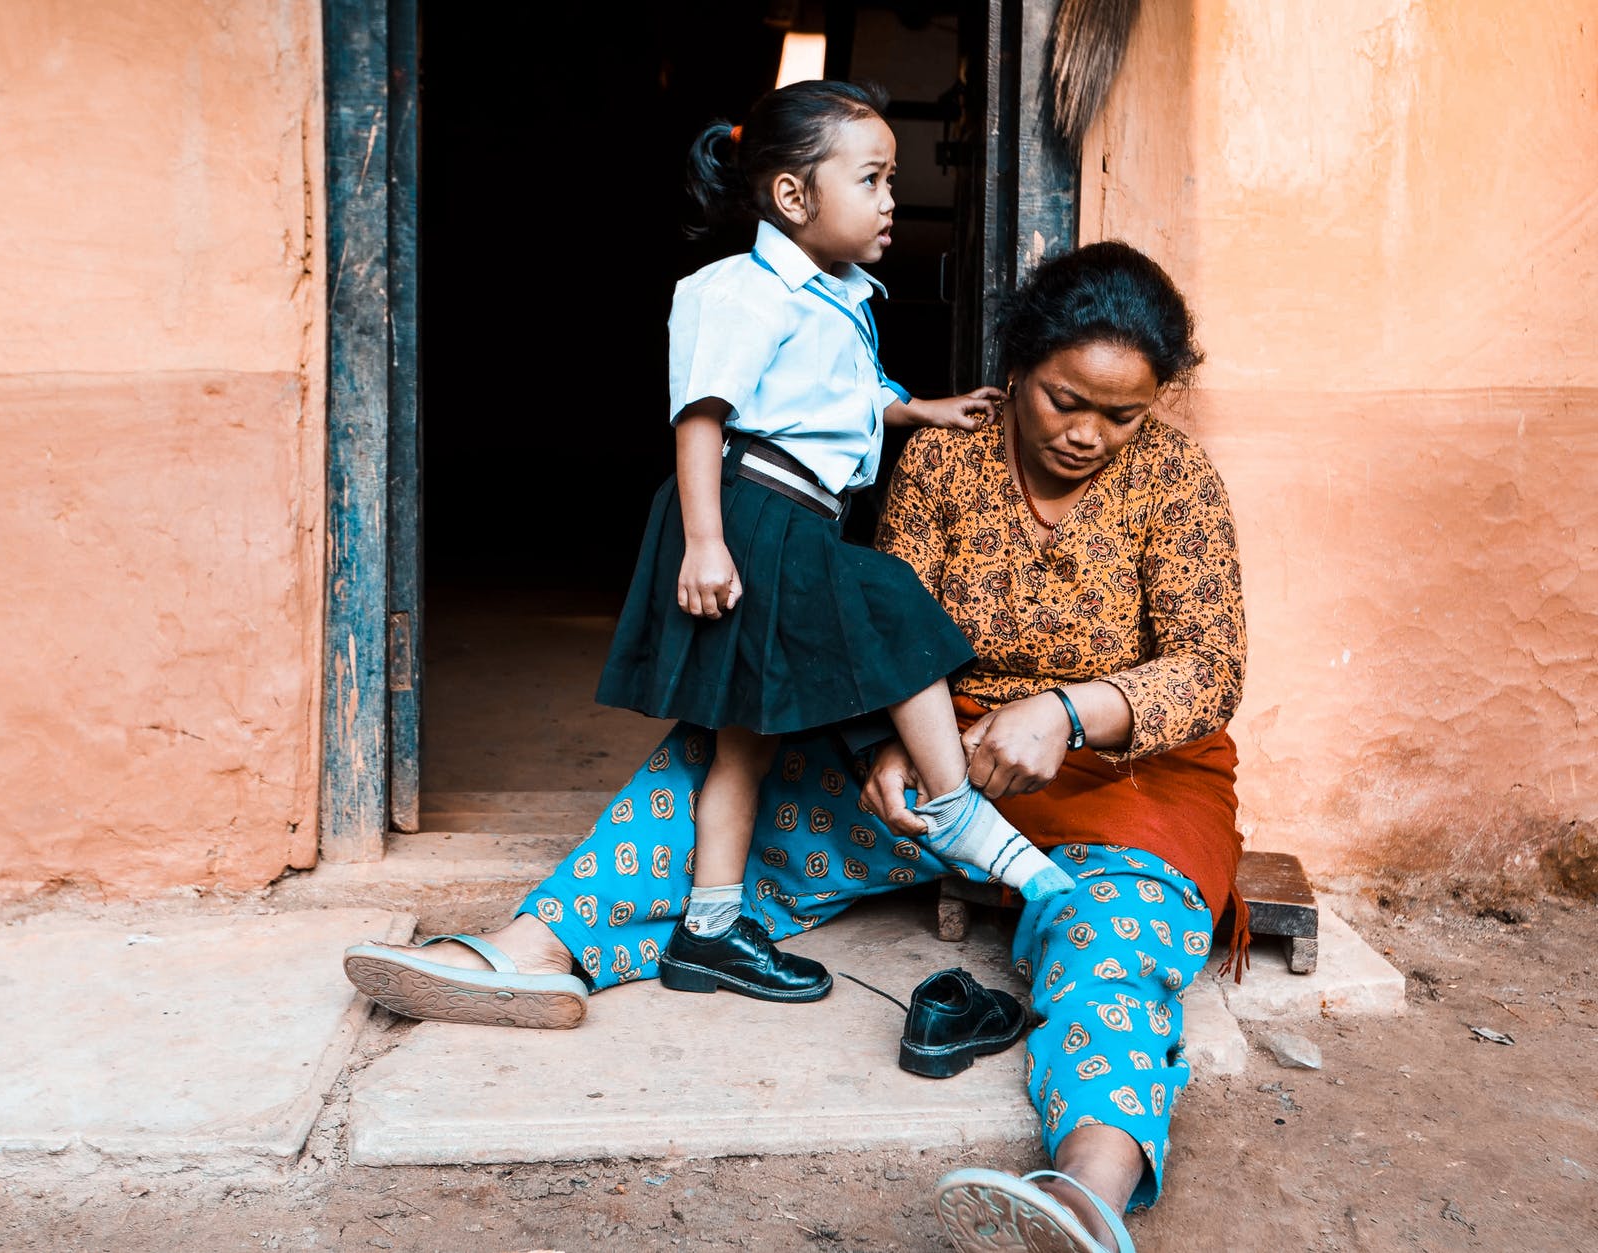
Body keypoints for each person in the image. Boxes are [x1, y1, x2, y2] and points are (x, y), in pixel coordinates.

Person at [345, 239, 1245, 1253]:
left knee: (1111, 938)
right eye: (1063, 400)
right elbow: (882, 627)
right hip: (945, 767)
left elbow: (1210, 665)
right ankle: (533, 951)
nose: (1086, 433)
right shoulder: (946, 456)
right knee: (723, 756)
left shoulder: (1175, 480)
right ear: (1018, 365)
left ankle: (1083, 1192)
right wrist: (886, 748)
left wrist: (1070, 712)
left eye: (1121, 415)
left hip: (1119, 785)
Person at [594, 79, 1076, 1004]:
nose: (892, 198)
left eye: (892, 179)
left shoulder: (834, 294)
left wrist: (918, 408)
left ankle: (708, 931)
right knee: (892, 606)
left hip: (794, 513)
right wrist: (705, 542)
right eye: (873, 179)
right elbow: (701, 419)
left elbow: (834, 398)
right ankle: (953, 807)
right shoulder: (741, 293)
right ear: (792, 195)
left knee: (744, 744)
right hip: (752, 513)